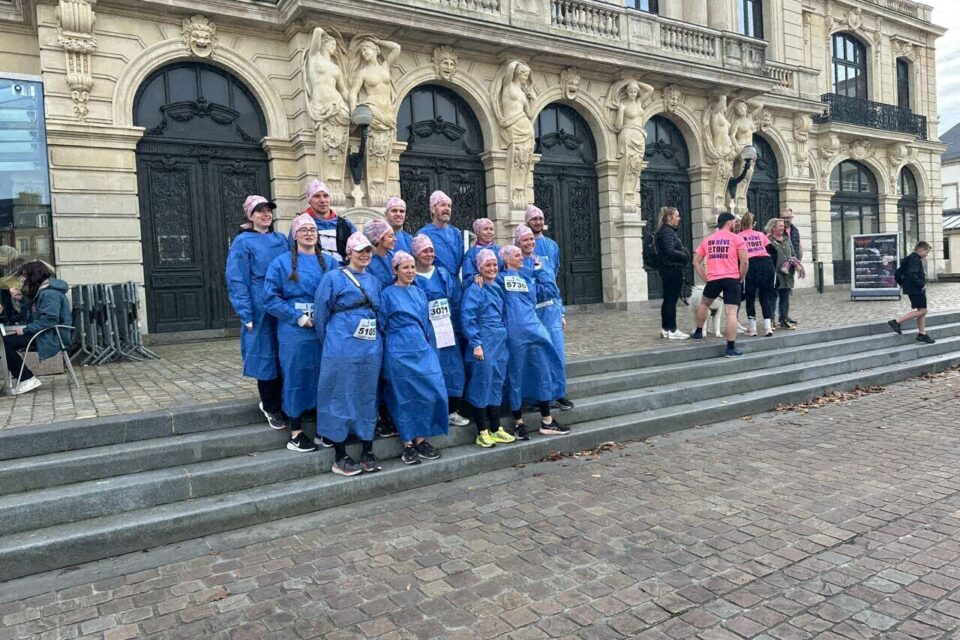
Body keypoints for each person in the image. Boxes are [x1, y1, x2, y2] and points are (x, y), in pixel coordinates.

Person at [263, 214, 338, 452]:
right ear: (294, 235)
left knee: (323, 376)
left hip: (323, 331)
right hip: (295, 332)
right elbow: (270, 297)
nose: (308, 233)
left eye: (312, 229)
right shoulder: (281, 263)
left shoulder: (330, 262)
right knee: (296, 376)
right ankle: (296, 432)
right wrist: (297, 317)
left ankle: (322, 430)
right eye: (303, 229)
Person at [314, 232, 383, 476]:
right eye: (360, 251)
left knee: (367, 393)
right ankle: (340, 454)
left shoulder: (374, 281)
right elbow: (321, 313)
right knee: (339, 393)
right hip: (341, 344)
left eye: (368, 251)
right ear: (348, 253)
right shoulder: (333, 278)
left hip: (370, 347)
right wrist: (332, 342)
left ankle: (367, 449)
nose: (365, 255)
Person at [226, 195, 291, 430]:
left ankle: (286, 402)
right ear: (250, 216)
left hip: (282, 303)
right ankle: (270, 405)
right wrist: (245, 312)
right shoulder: (243, 243)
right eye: (259, 211)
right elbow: (237, 278)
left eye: (268, 210)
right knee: (265, 355)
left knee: (285, 352)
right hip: (260, 304)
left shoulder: (281, 239)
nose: (266, 214)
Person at [380, 250, 449, 465]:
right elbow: (382, 324)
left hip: (421, 347)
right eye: (405, 267)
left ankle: (421, 439)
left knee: (431, 390)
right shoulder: (387, 294)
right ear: (395, 270)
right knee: (403, 396)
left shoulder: (420, 293)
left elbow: (425, 322)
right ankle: (408, 443)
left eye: (412, 267)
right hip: (398, 350)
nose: (410, 271)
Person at [498, 244, 569, 439]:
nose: (522, 257)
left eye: (522, 255)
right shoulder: (499, 279)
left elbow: (551, 291)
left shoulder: (528, 278)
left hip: (535, 330)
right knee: (516, 374)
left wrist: (540, 269)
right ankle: (518, 422)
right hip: (514, 332)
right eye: (517, 255)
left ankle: (547, 419)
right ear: (506, 259)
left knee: (542, 370)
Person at [411, 234, 470, 428]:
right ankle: (435, 410)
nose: (429, 254)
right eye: (424, 251)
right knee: (431, 368)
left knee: (453, 367)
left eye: (431, 250)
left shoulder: (443, 274)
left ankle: (453, 410)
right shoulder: (412, 278)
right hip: (427, 329)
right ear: (416, 254)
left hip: (447, 327)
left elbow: (456, 300)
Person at [461, 249, 516, 448]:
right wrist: (476, 343)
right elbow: (468, 317)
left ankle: (495, 427)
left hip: (499, 343)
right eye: (487, 265)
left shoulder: (497, 286)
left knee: (496, 384)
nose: (492, 268)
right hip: (484, 342)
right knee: (481, 384)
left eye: (494, 265)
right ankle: (482, 431)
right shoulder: (476, 289)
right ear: (479, 268)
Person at [516, 224, 574, 411]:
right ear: (518, 242)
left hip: (550, 313)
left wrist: (561, 313)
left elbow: (553, 289)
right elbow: (527, 290)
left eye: (531, 239)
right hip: (530, 315)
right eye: (525, 240)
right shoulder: (515, 263)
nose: (530, 242)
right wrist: (538, 285)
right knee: (535, 357)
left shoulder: (541, 260)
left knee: (556, 354)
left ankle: (558, 394)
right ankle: (534, 397)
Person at [0, 261, 71, 395]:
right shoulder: (44, 292)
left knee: (3, 344)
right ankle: (23, 378)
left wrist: (25, 329)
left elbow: (49, 320)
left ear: (33, 276)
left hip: (50, 336)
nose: (22, 280)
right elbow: (36, 312)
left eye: (24, 276)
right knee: (3, 343)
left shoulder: (49, 294)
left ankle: (27, 378)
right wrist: (22, 300)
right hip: (44, 334)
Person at [690, 212, 749, 357]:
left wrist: (706, 278)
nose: (736, 224)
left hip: (714, 279)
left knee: (704, 304)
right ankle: (730, 348)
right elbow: (745, 261)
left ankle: (698, 332)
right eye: (734, 221)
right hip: (731, 279)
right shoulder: (737, 239)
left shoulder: (708, 239)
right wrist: (740, 277)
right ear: (728, 222)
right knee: (731, 313)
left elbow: (695, 262)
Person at [888, 241, 935, 344]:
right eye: (926, 252)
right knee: (923, 311)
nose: (927, 254)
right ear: (921, 250)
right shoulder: (915, 259)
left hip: (912, 288)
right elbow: (912, 274)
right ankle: (896, 322)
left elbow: (898, 273)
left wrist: (904, 284)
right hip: (916, 289)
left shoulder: (909, 258)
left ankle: (922, 334)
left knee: (921, 310)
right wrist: (921, 284)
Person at [738, 211, 776, 337]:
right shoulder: (760, 235)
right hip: (766, 264)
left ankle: (753, 329)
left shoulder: (739, 236)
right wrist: (772, 266)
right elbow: (773, 251)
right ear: (753, 224)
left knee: (750, 297)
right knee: (765, 297)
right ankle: (768, 327)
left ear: (741, 224)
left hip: (751, 264)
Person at [655, 206, 690, 340]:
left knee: (668, 300)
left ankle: (665, 329)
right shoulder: (667, 232)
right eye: (676, 216)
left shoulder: (664, 231)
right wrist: (684, 255)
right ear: (669, 217)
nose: (679, 218)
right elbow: (670, 251)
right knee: (671, 301)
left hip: (667, 269)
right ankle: (673, 329)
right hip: (672, 270)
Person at [302, 179, 356, 263]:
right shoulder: (300, 225)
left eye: (325, 195)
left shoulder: (346, 225)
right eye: (317, 196)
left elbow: (358, 252)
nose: (322, 200)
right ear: (309, 200)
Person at [416, 191, 464, 278]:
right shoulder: (423, 234)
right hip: (435, 283)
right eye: (442, 205)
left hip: (456, 285)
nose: (447, 208)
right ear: (433, 209)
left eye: (449, 206)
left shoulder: (456, 233)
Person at [766, 218, 796, 331]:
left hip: (787, 274)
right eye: (780, 226)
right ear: (773, 227)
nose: (783, 228)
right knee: (772, 298)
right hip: (774, 274)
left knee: (785, 297)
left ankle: (784, 319)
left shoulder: (786, 239)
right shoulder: (768, 241)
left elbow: (793, 254)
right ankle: (771, 319)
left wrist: (794, 263)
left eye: (783, 226)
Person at [524, 205, 560, 279]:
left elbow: (555, 269)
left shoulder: (552, 245)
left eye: (541, 219)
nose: (538, 222)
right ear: (527, 222)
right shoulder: (522, 245)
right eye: (534, 219)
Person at [779, 208, 802, 325]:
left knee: (786, 292)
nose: (787, 220)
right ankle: (774, 318)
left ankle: (784, 316)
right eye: (784, 218)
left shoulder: (795, 230)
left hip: (791, 265)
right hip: (779, 267)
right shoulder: (776, 230)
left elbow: (798, 246)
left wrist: (798, 263)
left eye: (789, 217)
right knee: (777, 293)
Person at [462, 217, 499, 285]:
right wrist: (475, 277)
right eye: (485, 229)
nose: (489, 232)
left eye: (491, 229)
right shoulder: (470, 254)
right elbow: (467, 276)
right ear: (478, 232)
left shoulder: (500, 251)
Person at [363, 218, 396, 290]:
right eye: (390, 236)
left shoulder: (394, 257)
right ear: (379, 238)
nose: (395, 239)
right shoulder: (367, 262)